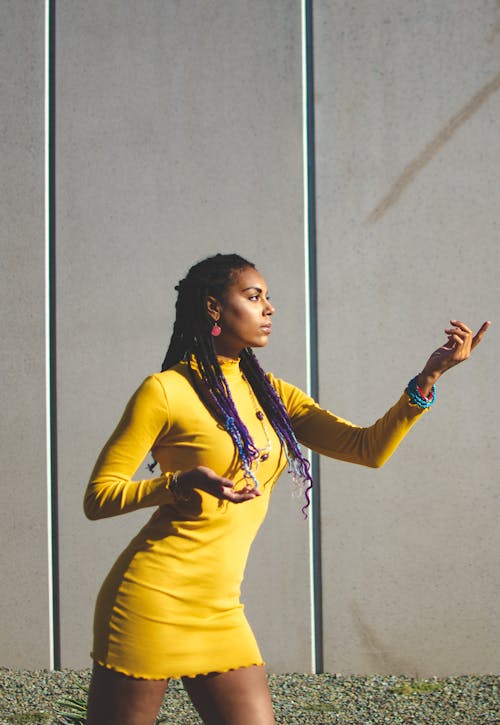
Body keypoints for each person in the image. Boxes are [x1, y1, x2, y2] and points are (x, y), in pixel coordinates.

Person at [84, 253, 489, 725]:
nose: (269, 308)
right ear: (214, 308)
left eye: (268, 298)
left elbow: (366, 448)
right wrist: (176, 483)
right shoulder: (166, 390)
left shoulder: (270, 393)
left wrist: (428, 378)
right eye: (254, 297)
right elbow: (99, 497)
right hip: (149, 599)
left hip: (220, 609)